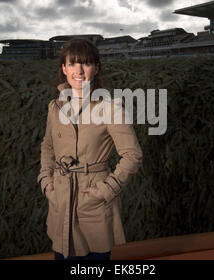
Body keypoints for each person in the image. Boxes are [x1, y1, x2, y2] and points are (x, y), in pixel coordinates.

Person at [37, 38, 143, 260]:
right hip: (61, 199)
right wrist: (46, 182)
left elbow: (132, 155)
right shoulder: (54, 107)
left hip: (92, 201)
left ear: (96, 68)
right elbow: (47, 146)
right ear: (64, 69)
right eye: (73, 63)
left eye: (85, 63)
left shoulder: (110, 107)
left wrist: (105, 190)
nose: (79, 70)